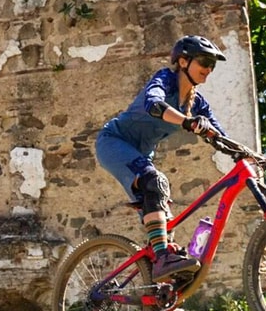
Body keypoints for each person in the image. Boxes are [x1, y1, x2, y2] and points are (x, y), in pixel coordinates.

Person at [94, 35, 227, 281]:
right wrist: (187, 122)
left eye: (213, 65)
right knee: (154, 180)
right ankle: (164, 258)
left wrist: (249, 155)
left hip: (141, 155)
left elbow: (220, 136)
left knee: (163, 213)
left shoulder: (196, 102)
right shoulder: (165, 79)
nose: (209, 69)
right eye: (204, 62)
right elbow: (153, 104)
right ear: (184, 61)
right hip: (114, 142)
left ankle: (161, 291)